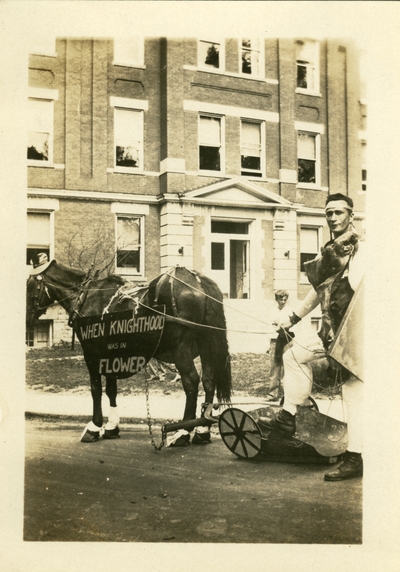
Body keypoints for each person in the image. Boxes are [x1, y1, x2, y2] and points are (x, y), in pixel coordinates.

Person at [264, 193, 364, 481]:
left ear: (350, 216)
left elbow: (363, 288)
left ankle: (355, 458)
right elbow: (318, 290)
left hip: (356, 338)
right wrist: (292, 317)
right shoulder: (332, 250)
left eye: (339, 213)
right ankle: (288, 418)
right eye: (329, 213)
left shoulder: (360, 250)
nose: (332, 218)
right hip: (331, 335)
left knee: (353, 393)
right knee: (293, 354)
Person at [267, 290, 293, 400]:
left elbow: (293, 324)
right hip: (275, 340)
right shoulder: (272, 311)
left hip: (287, 340)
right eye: (281, 299)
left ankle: (287, 394)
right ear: (276, 300)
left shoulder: (290, 311)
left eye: (285, 299)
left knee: (287, 366)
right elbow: (270, 326)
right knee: (274, 366)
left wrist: (282, 324)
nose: (283, 301)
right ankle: (273, 394)